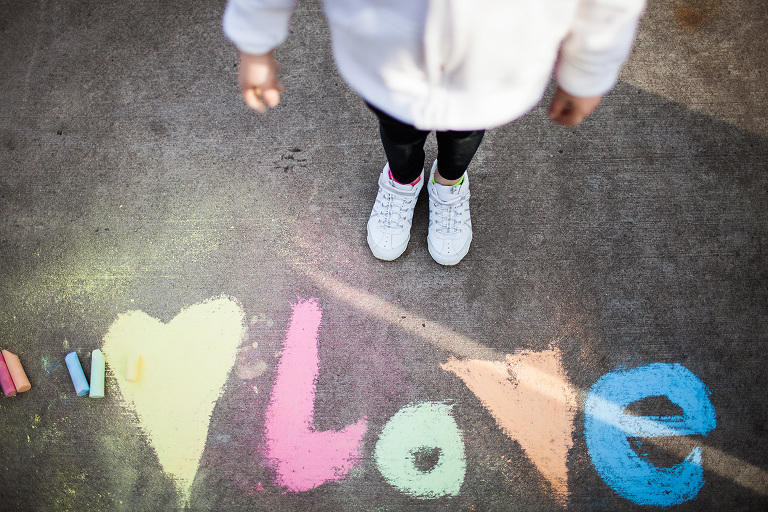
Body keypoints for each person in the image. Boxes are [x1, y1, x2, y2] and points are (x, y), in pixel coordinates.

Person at [223, 0, 646, 265]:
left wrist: (588, 69)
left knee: (464, 133)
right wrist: (255, 39)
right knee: (398, 130)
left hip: (494, 65)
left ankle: (449, 182)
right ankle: (402, 180)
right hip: (387, 60)